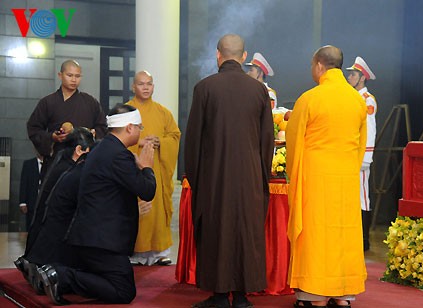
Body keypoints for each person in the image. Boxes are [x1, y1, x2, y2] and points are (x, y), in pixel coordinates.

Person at [184, 34, 274, 308]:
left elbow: (194, 139)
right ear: (244, 56)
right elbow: (267, 141)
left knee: (217, 231)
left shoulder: (204, 88)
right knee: (246, 232)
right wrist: (260, 176)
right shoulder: (259, 90)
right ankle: (243, 296)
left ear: (218, 55)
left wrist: (197, 180)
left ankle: (221, 294)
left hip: (214, 178)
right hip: (248, 176)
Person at [34, 104, 156, 305]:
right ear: (129, 128)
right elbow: (147, 190)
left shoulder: (103, 148)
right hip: (102, 241)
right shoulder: (118, 154)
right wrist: (146, 168)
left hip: (90, 236)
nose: (139, 132)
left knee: (112, 283)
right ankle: (61, 275)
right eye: (139, 127)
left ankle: (61, 277)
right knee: (124, 291)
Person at [286, 45, 367, 308]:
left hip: (316, 176)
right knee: (344, 234)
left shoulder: (310, 98)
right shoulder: (357, 100)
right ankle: (343, 294)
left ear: (319, 66)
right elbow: (360, 144)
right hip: (345, 177)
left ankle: (314, 295)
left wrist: (293, 174)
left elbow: (294, 140)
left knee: (316, 233)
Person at [17, 127, 95, 294]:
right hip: (57, 226)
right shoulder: (70, 169)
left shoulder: (62, 160)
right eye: (89, 151)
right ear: (79, 150)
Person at [126, 70, 181, 266]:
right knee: (135, 205)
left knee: (157, 206)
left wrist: (161, 142)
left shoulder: (162, 112)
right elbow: (115, 135)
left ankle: (159, 251)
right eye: (141, 84)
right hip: (132, 168)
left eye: (149, 83)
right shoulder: (126, 111)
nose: (146, 87)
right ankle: (134, 250)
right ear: (133, 87)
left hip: (156, 168)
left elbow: (175, 136)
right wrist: (139, 142)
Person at [26, 59, 107, 180]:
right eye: (70, 75)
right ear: (60, 75)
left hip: (84, 160)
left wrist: (93, 134)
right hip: (57, 160)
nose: (74, 80)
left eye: (77, 76)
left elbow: (102, 127)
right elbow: (34, 128)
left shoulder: (90, 102)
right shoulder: (48, 102)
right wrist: (52, 137)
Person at [346, 56, 377, 252]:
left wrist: (366, 156)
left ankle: (365, 239)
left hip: (361, 155)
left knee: (362, 196)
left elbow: (370, 129)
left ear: (362, 78)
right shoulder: (352, 97)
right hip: (350, 152)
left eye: (353, 74)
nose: (349, 77)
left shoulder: (368, 100)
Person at [19, 153, 42, 230]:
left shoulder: (51, 164)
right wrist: (22, 202)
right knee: (30, 226)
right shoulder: (28, 164)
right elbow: (24, 183)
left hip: (45, 203)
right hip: (31, 202)